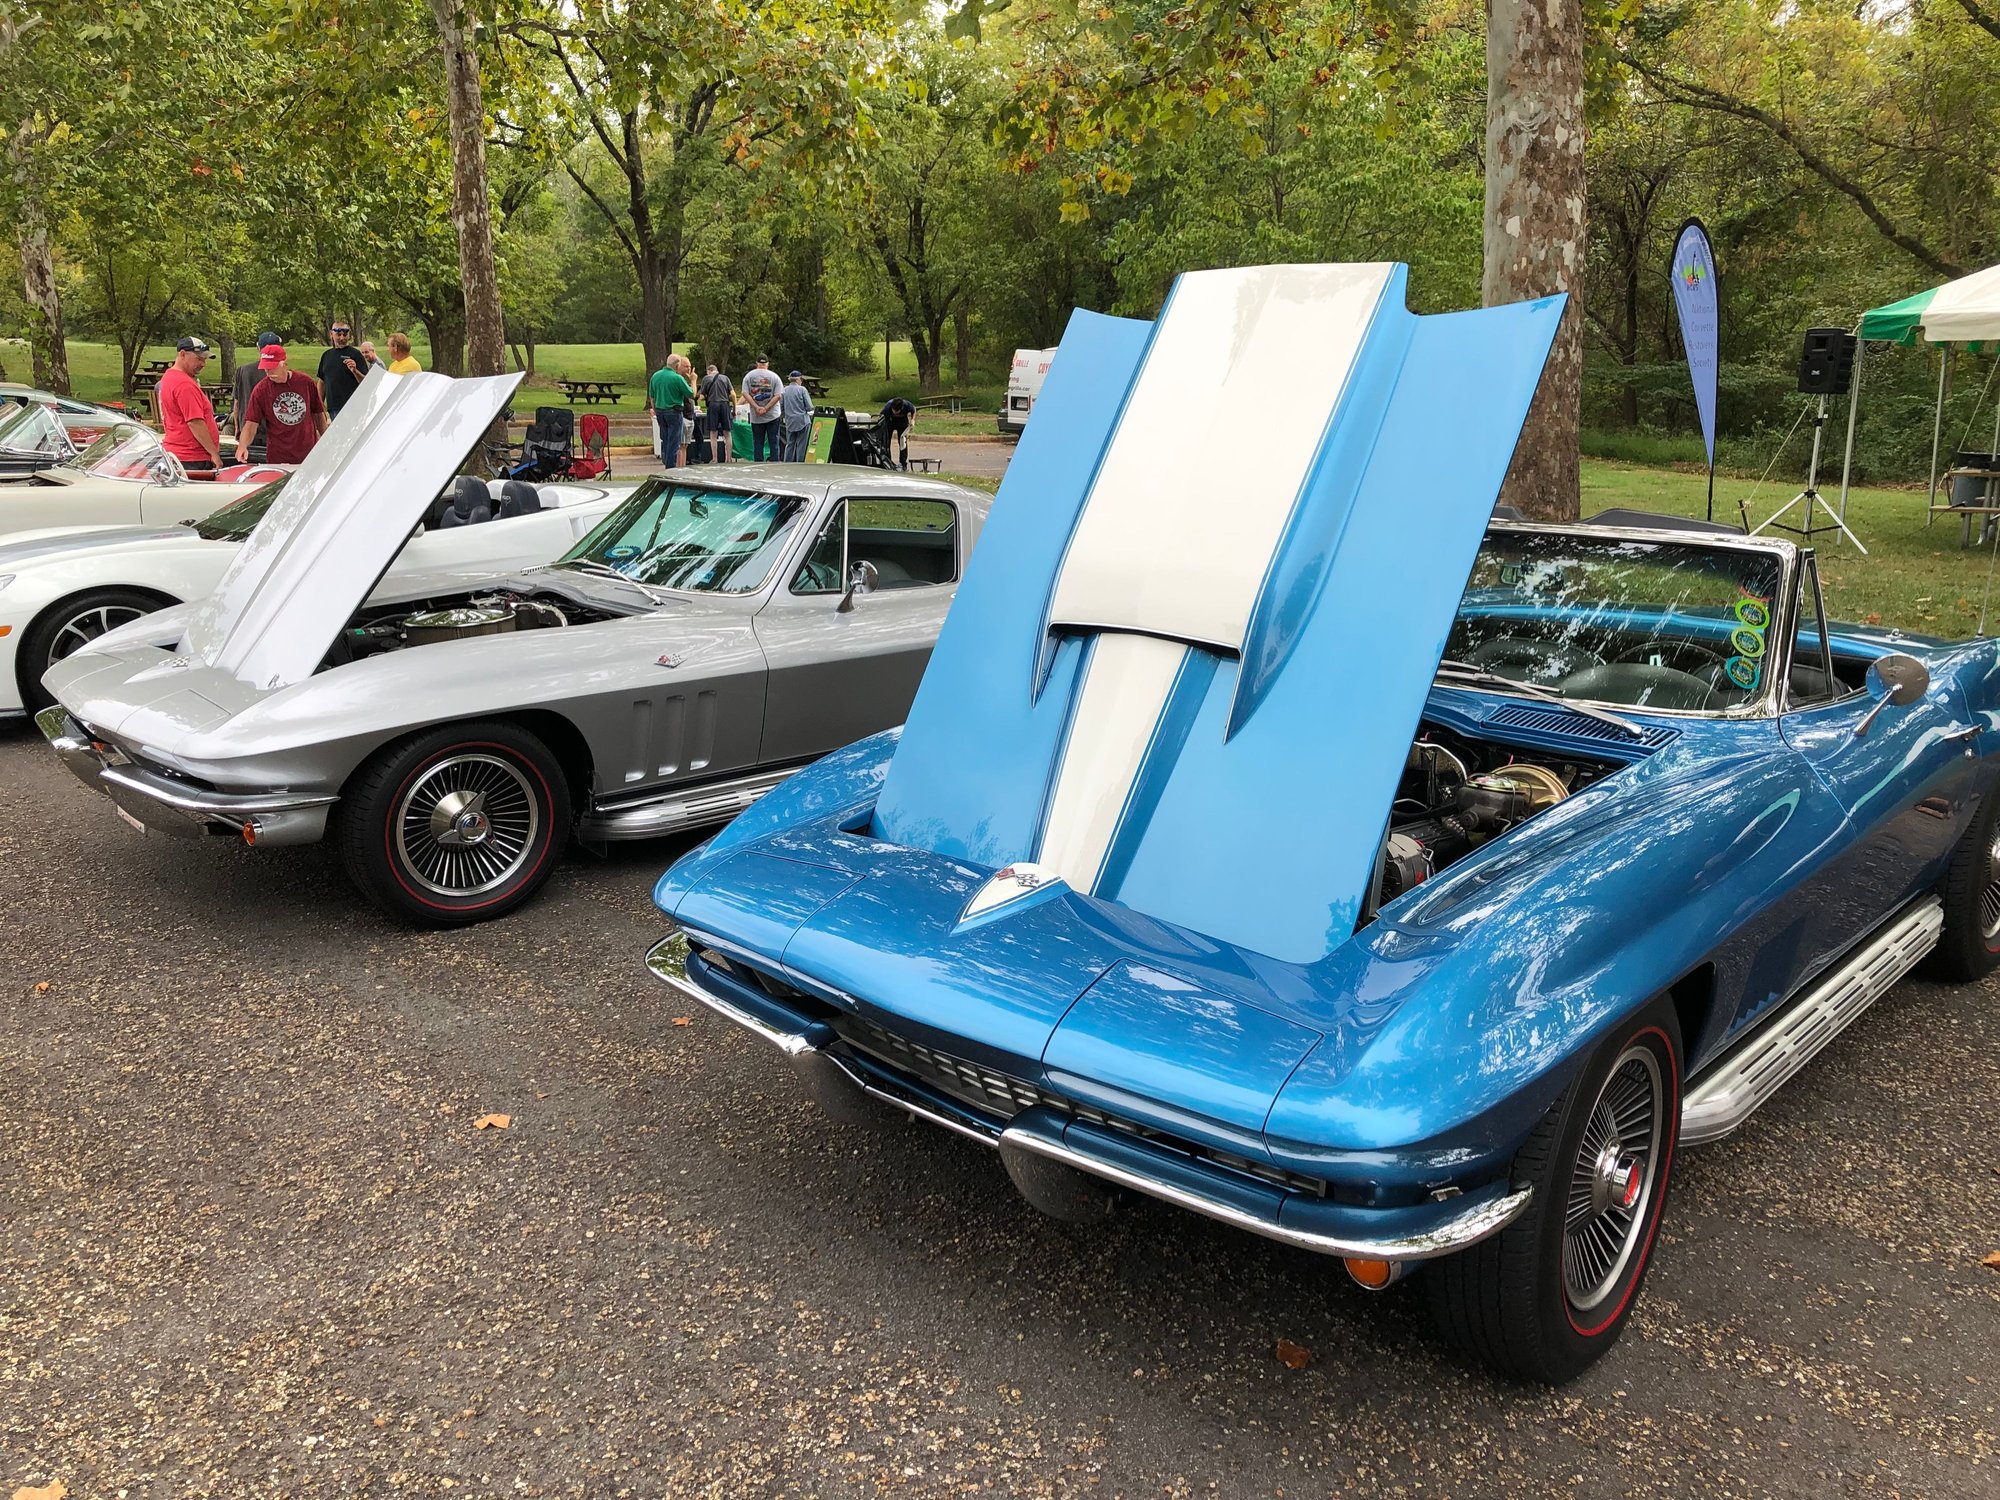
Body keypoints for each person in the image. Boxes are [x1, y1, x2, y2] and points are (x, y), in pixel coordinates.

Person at [234, 343, 326, 465]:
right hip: (278, 455)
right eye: (265, 368)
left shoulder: (306, 382)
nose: (268, 371)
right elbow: (251, 423)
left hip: (307, 452)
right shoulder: (261, 390)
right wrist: (243, 445)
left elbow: (318, 414)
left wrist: (325, 439)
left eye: (272, 367)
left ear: (284, 364)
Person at [157, 336, 222, 477]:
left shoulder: (169, 377)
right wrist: (213, 453)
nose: (203, 364)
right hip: (192, 457)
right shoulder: (184, 384)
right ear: (182, 354)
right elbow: (195, 422)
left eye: (204, 359)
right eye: (199, 359)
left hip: (177, 454)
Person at [232, 331, 281, 446]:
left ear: (258, 348)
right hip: (273, 432)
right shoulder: (280, 373)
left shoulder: (243, 371)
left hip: (247, 431)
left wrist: (237, 428)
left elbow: (237, 403)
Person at [647, 353, 693, 470]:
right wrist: (693, 380)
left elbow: (652, 397)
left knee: (665, 439)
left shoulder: (655, 376)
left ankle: (666, 462)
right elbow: (691, 394)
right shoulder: (677, 378)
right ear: (677, 366)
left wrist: (656, 411)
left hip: (661, 412)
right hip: (674, 412)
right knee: (674, 442)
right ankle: (670, 468)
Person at [316, 321, 368, 419]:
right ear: (331, 334)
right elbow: (322, 381)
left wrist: (355, 371)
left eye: (345, 335)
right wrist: (320, 405)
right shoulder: (326, 355)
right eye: (338, 334)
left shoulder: (355, 354)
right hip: (333, 407)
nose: (342, 338)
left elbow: (366, 382)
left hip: (353, 407)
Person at [742, 355, 783, 462]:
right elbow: (778, 395)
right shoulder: (775, 377)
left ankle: (758, 463)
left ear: (757, 364)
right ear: (767, 364)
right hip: (772, 415)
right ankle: (774, 462)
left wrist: (756, 407)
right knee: (773, 441)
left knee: (758, 442)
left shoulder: (748, 376)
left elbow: (745, 394)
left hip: (756, 416)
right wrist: (766, 408)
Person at [700, 362, 733, 463]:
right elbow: (732, 394)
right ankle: (729, 458)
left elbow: (701, 397)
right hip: (725, 404)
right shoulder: (725, 378)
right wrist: (734, 409)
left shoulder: (706, 378)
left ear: (708, 371)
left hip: (713, 405)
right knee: (727, 433)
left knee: (713, 433)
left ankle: (715, 458)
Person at [780, 370, 814, 462]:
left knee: (790, 444)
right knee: (801, 445)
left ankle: (787, 462)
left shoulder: (784, 390)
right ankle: (800, 463)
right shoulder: (802, 390)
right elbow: (810, 407)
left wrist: (786, 415)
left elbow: (781, 407)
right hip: (802, 421)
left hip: (789, 421)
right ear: (798, 379)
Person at [879, 394, 917, 471]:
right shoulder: (888, 406)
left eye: (897, 411)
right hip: (889, 422)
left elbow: (914, 410)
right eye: (894, 410)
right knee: (886, 442)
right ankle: (887, 462)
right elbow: (880, 416)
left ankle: (903, 463)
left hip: (902, 423)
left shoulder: (906, 405)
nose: (895, 412)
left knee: (903, 442)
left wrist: (912, 420)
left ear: (901, 408)